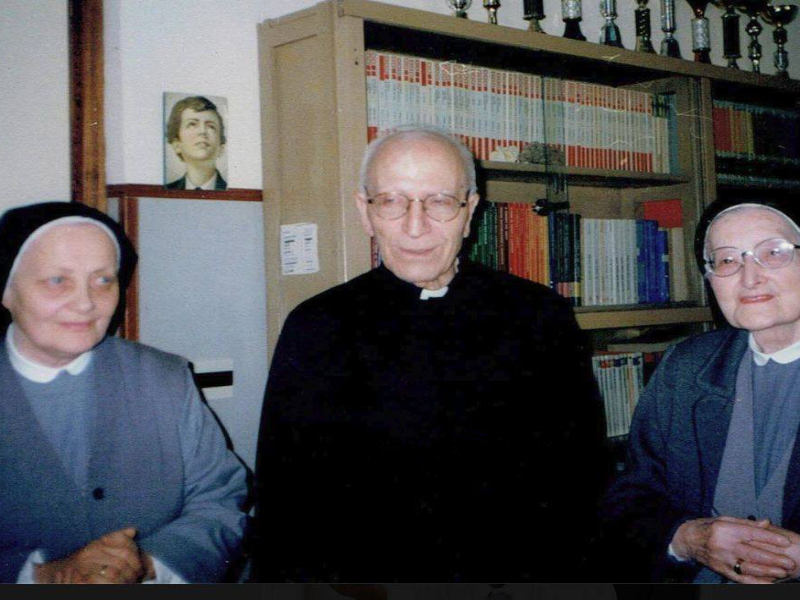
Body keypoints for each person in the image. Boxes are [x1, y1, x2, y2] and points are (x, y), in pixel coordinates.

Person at [253, 126, 607, 582]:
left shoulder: (540, 316)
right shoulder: (316, 326)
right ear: (366, 213)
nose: (415, 226)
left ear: (470, 212)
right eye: (391, 201)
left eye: (439, 202)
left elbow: (580, 484)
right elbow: (284, 507)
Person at [0, 201, 247, 583]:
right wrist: (40, 576)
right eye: (57, 280)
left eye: (103, 280)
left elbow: (220, 500)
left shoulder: (165, 378)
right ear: (6, 290)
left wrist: (148, 564)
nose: (86, 302)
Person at [600, 198, 800, 583]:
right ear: (710, 280)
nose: (750, 277)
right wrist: (688, 539)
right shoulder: (686, 367)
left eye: (773, 252)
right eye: (727, 260)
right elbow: (629, 501)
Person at [165, 96, 228, 190]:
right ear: (177, 144)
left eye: (211, 126)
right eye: (192, 124)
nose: (203, 131)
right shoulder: (168, 190)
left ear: (221, 147)